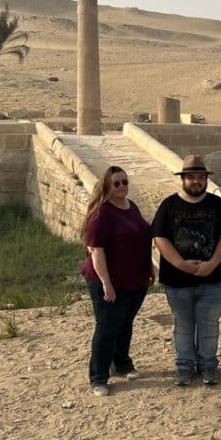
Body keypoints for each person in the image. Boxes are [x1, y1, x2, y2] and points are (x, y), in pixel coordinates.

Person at [153, 155, 221, 386]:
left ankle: (208, 365)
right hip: (177, 279)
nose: (196, 181)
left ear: (206, 179)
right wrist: (181, 264)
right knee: (184, 325)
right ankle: (185, 365)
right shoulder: (169, 205)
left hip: (212, 278)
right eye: (191, 177)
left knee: (208, 325)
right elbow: (160, 238)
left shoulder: (218, 205)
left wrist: (212, 263)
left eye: (200, 177)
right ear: (183, 179)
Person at [80, 166, 154, 397]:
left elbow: (142, 239)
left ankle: (122, 363)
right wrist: (106, 283)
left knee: (125, 323)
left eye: (124, 182)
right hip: (109, 279)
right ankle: (99, 377)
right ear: (107, 186)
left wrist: (150, 267)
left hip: (135, 278)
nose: (122, 186)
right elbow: (96, 251)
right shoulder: (102, 213)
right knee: (107, 327)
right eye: (117, 183)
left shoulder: (131, 207)